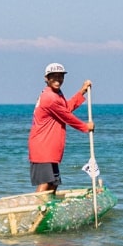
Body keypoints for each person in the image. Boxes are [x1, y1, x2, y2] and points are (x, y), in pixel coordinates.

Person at [28, 63, 94, 193]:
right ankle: (37, 211)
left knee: (54, 183)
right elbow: (66, 116)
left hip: (50, 146)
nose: (57, 80)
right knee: (46, 182)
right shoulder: (50, 97)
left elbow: (65, 109)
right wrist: (85, 127)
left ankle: (47, 210)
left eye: (60, 77)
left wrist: (82, 92)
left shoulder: (57, 94)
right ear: (46, 79)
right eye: (53, 77)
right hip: (42, 145)